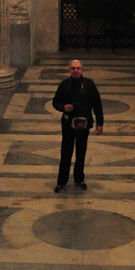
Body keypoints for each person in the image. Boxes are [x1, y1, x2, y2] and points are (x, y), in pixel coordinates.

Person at [52, 58, 104, 191]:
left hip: (83, 123)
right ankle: (61, 182)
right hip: (68, 123)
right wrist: (63, 107)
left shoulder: (89, 84)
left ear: (82, 70)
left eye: (78, 68)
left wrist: (100, 123)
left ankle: (79, 179)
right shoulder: (64, 84)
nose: (76, 71)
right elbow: (55, 102)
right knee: (66, 152)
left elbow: (97, 104)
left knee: (81, 152)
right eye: (73, 68)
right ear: (69, 71)